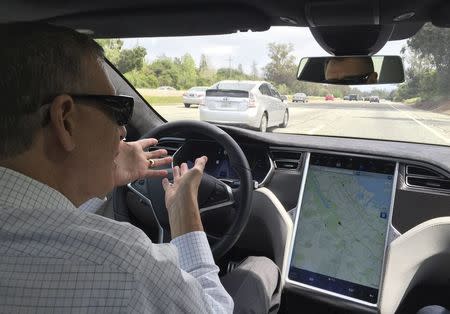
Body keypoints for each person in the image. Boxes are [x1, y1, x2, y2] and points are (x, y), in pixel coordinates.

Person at [0, 23, 280, 313]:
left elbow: (42, 214)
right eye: (117, 109)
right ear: (66, 120)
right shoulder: (122, 264)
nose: (123, 131)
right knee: (262, 267)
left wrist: (96, 170)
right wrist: (185, 215)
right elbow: (215, 309)